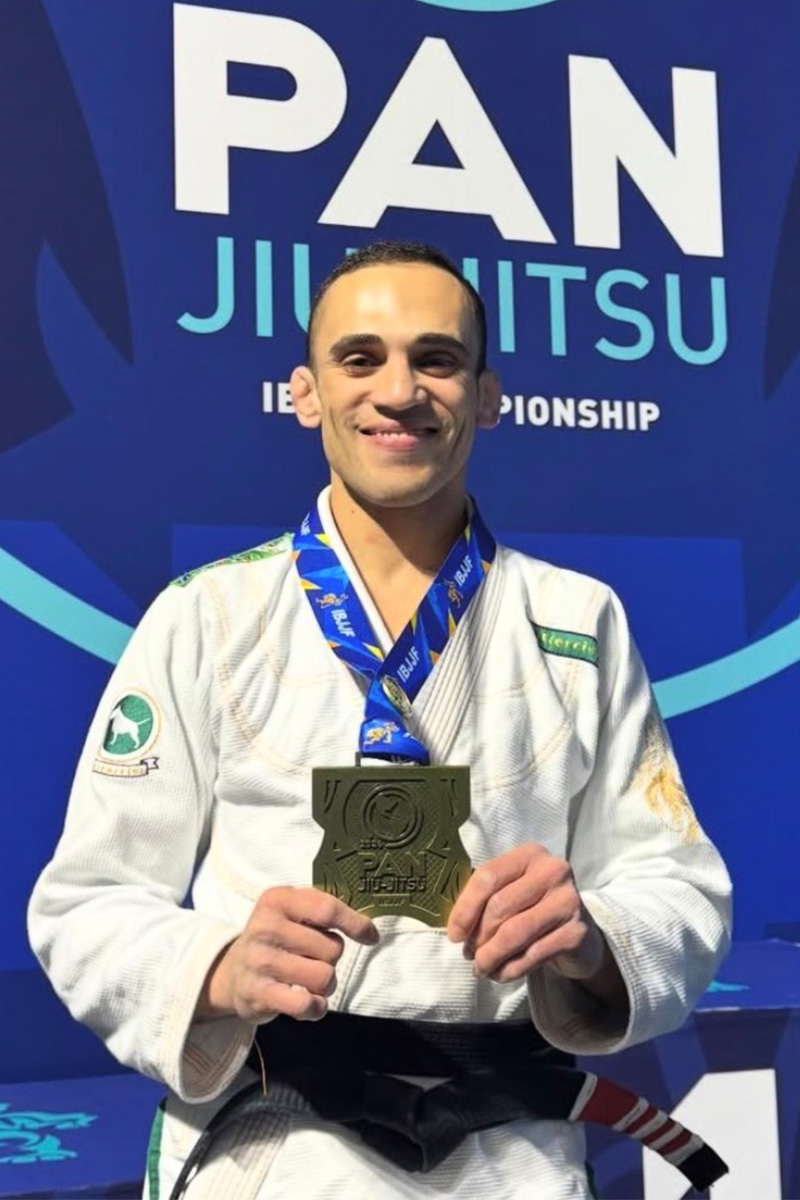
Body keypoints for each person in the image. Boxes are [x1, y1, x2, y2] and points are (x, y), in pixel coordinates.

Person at [28, 240, 732, 1200]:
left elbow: (679, 889)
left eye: (437, 359)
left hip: (512, 1159)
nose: (399, 392)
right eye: (359, 358)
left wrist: (592, 936)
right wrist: (221, 967)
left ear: (487, 395)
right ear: (305, 393)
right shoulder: (207, 615)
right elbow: (86, 903)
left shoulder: (577, 621)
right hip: (273, 1150)